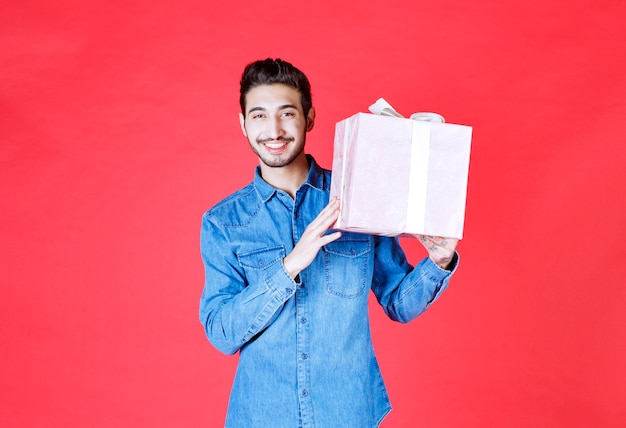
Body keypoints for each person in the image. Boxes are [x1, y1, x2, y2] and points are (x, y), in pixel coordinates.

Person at [199, 58, 460, 428]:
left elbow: (398, 304)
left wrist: (439, 260)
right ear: (243, 125)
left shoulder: (358, 195)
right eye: (259, 116)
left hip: (348, 413)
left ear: (309, 118)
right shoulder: (223, 222)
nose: (274, 129)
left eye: (287, 113)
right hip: (261, 416)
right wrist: (289, 266)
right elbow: (222, 333)